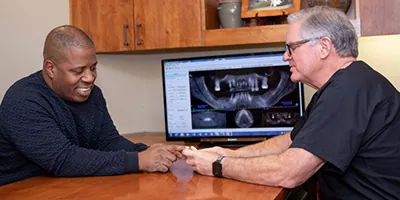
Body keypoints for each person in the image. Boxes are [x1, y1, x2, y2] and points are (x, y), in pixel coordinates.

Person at [182, 6, 400, 200]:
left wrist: (216, 166)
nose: (285, 57)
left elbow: (289, 172)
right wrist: (228, 153)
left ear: (324, 47)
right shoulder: (343, 85)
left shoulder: (350, 89)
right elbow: (290, 141)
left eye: (291, 48)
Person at [0, 25, 184, 186]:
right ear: (50, 68)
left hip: (62, 185)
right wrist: (139, 160)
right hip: (17, 189)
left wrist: (151, 153)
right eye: (78, 71)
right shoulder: (23, 100)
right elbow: (62, 160)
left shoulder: (93, 94)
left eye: (93, 68)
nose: (89, 78)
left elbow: (108, 141)